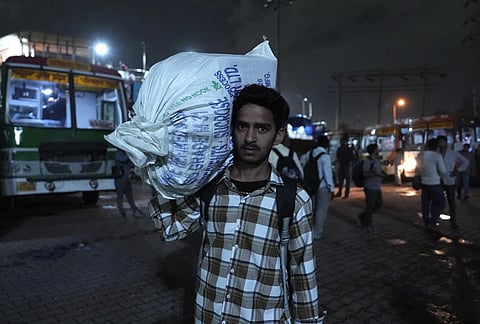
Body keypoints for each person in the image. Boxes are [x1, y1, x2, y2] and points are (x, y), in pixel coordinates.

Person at [149, 85, 323, 323]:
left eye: (262, 128)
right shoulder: (210, 187)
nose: (250, 138)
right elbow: (170, 228)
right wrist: (156, 168)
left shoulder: (293, 200)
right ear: (231, 128)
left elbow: (303, 275)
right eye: (242, 126)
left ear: (278, 135)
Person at [301, 135, 335, 240]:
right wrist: (332, 189)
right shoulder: (325, 156)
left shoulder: (309, 153)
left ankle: (308, 231)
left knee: (311, 209)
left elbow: (301, 163)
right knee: (321, 210)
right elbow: (328, 174)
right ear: (326, 144)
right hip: (322, 187)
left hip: (310, 186)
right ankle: (317, 233)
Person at [437, 135, 468, 230]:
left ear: (446, 143)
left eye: (442, 142)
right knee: (438, 202)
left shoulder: (453, 153)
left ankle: (453, 222)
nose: (440, 144)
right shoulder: (436, 154)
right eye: (439, 142)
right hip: (438, 181)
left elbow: (465, 162)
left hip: (450, 181)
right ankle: (435, 220)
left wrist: (457, 171)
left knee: (452, 203)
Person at [418, 138, 446, 229]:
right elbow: (442, 171)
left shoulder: (421, 155)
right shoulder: (437, 156)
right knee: (440, 203)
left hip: (424, 182)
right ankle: (433, 221)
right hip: (435, 183)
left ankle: (426, 222)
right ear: (437, 146)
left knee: (425, 204)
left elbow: (418, 168)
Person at [358, 143, 383, 233]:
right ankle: (368, 224)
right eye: (377, 149)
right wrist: (376, 174)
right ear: (374, 150)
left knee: (378, 205)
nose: (378, 150)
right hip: (370, 187)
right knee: (370, 206)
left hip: (377, 186)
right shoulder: (368, 161)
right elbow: (365, 173)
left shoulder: (376, 160)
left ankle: (363, 216)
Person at [114, 150, 145, 218]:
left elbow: (131, 164)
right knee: (120, 196)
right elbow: (123, 159)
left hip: (126, 179)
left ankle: (134, 210)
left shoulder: (125, 154)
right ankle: (121, 212)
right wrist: (129, 153)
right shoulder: (118, 154)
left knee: (129, 196)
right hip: (120, 179)